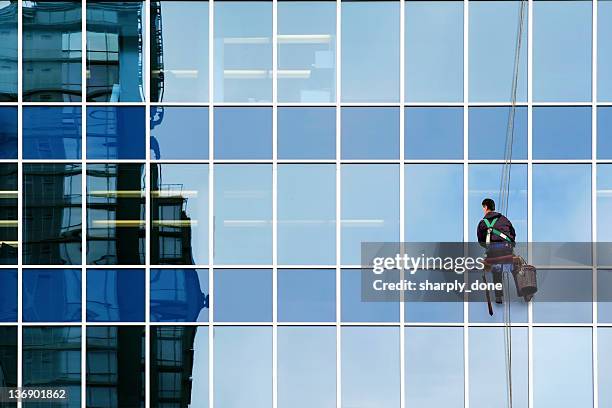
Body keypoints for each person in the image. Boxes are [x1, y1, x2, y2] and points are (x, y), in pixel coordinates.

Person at [477, 198, 516, 304]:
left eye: (483, 208)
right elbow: (512, 233)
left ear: (485, 207)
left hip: (494, 251)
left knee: (496, 269)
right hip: (507, 248)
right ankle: (524, 290)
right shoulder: (504, 219)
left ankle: (498, 296)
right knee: (516, 266)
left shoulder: (483, 223)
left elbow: (481, 241)